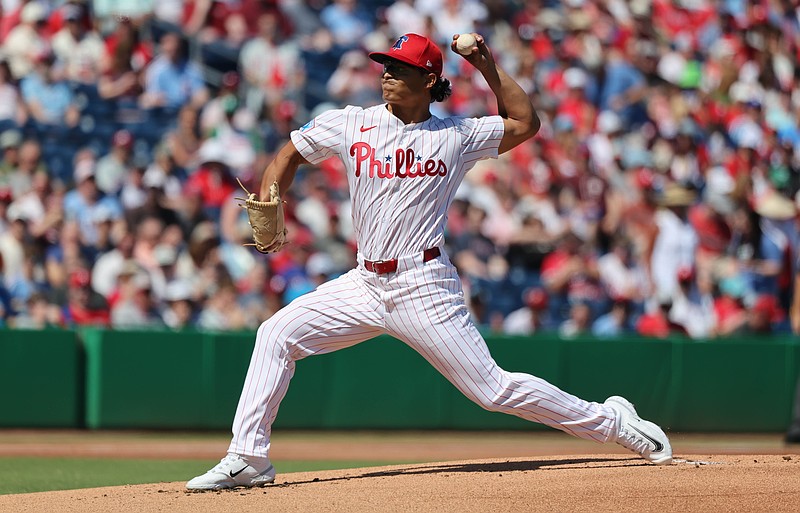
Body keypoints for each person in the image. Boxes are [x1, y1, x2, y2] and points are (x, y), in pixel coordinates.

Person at [186, 32, 673, 491]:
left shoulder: (455, 135)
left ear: (428, 81)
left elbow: (526, 123)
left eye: (400, 68)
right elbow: (288, 154)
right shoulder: (352, 121)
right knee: (275, 334)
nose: (387, 74)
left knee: (493, 391)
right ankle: (249, 457)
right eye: (386, 65)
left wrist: (485, 63)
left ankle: (613, 421)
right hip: (364, 283)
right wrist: (271, 194)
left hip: (423, 284)